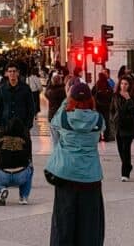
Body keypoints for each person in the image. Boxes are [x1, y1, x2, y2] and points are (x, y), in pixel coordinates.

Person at [47, 82, 104, 246]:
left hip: (66, 175)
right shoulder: (98, 120)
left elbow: (53, 123)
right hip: (91, 177)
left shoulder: (63, 118)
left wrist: (67, 99)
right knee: (90, 226)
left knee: (63, 223)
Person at [0, 117, 33, 205]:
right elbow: (28, 155)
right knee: (30, 168)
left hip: (3, 173)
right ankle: (23, 197)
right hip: (21, 174)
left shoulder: (1, 136)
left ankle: (0, 189)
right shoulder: (25, 138)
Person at [0, 62, 35, 134]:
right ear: (7, 73)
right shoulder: (2, 89)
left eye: (14, 71)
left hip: (22, 125)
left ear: (18, 73)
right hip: (6, 125)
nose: (12, 73)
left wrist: (28, 125)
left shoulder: (25, 88)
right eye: (10, 71)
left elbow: (31, 107)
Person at [111, 76, 134, 181]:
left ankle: (125, 174)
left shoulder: (132, 97)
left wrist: (128, 99)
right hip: (118, 125)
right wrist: (113, 120)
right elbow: (112, 109)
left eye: (126, 84)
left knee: (126, 149)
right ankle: (128, 165)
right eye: (122, 84)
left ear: (129, 85)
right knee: (120, 150)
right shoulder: (115, 96)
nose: (123, 86)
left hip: (128, 126)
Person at [92, 72, 113, 142]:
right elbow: (111, 95)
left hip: (98, 107)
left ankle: (98, 137)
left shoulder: (97, 85)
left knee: (98, 122)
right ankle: (106, 136)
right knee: (106, 121)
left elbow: (92, 94)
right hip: (106, 107)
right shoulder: (107, 85)